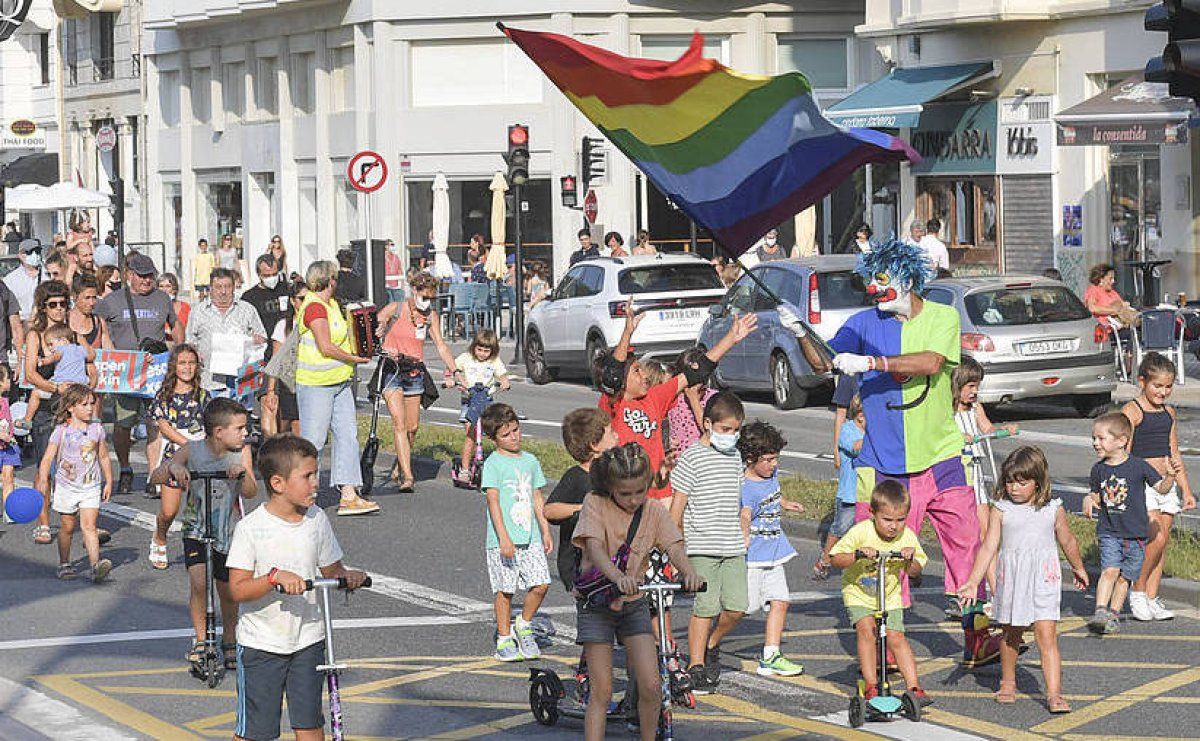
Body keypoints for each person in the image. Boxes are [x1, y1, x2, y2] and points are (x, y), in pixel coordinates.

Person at [783, 238, 1004, 667]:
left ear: (907, 278)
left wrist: (870, 364)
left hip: (941, 459)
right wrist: (801, 334)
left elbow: (929, 362)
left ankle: (977, 639)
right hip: (883, 467)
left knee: (966, 549)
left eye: (880, 280)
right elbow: (823, 362)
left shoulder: (943, 316)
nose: (872, 289)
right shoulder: (864, 322)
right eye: (869, 281)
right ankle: (885, 651)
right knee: (882, 563)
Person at [226, 435, 368, 741]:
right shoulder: (251, 528)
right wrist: (272, 578)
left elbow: (332, 569)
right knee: (257, 730)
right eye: (307, 476)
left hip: (308, 638)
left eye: (316, 474)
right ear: (278, 483)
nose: (316, 482)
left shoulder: (316, 520)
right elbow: (237, 590)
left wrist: (348, 577)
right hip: (262, 643)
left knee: (310, 724)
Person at [572, 444, 702, 741]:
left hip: (633, 605)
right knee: (602, 690)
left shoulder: (653, 509)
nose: (633, 500)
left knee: (652, 684)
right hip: (597, 606)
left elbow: (673, 546)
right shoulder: (595, 503)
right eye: (624, 493)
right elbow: (594, 547)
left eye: (639, 492)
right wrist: (617, 577)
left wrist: (688, 571)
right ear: (610, 487)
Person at [957, 446, 1088, 713]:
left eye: (1022, 482)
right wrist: (973, 581)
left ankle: (1054, 693)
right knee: (1011, 633)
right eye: (1009, 481)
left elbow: (1068, 539)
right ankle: (1008, 682)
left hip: (1044, 578)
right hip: (1013, 578)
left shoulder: (1053, 508)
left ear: (1038, 482)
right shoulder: (1001, 509)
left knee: (1046, 635)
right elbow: (989, 547)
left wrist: (1078, 567)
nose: (1014, 488)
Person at [597, 305, 756, 508]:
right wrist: (627, 333)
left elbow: (695, 373)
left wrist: (730, 339)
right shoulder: (611, 405)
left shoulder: (654, 398)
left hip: (660, 492)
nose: (645, 376)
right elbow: (612, 376)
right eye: (637, 371)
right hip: (626, 494)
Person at [151, 398, 256, 673]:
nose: (245, 434)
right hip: (196, 527)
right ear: (219, 431)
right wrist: (174, 468)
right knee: (199, 583)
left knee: (228, 589)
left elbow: (251, 491)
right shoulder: (192, 450)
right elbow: (158, 475)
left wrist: (241, 474)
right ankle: (201, 640)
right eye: (240, 428)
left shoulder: (241, 453)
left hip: (228, 531)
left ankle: (229, 639)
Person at [667, 392, 748, 693]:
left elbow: (737, 500)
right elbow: (677, 511)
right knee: (705, 607)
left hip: (732, 545)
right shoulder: (691, 457)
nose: (731, 436)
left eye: (736, 430)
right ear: (707, 424)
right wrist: (679, 554)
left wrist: (744, 525)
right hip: (702, 545)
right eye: (725, 429)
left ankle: (713, 643)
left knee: (739, 606)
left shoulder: (735, 456)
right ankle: (696, 665)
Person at [829, 480, 931, 705]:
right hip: (859, 593)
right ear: (872, 513)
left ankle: (914, 687)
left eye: (900, 520)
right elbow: (835, 558)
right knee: (867, 630)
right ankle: (871, 685)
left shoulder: (907, 537)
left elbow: (915, 571)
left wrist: (909, 559)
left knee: (896, 637)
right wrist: (857, 554)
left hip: (889, 595)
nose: (894, 526)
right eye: (887, 520)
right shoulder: (861, 531)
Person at [97, 252, 183, 496]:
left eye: (150, 276)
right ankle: (125, 469)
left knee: (156, 423)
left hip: (155, 370)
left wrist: (179, 350)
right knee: (123, 425)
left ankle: (154, 474)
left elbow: (175, 325)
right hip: (126, 372)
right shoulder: (112, 300)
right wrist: (108, 355)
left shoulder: (162, 299)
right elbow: (97, 326)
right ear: (129, 275)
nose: (147, 280)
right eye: (142, 276)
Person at [294, 261, 376, 515]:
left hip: (340, 381)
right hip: (316, 384)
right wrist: (356, 359)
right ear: (329, 280)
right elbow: (326, 346)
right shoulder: (315, 307)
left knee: (348, 436)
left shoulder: (332, 305)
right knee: (314, 441)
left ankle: (349, 494)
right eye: (335, 278)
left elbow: (343, 338)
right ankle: (302, 494)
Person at [1083, 412, 1176, 634]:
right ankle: (1100, 611)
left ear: (1122, 440)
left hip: (1136, 533)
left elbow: (1160, 488)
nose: (1096, 443)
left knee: (1126, 577)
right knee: (1110, 570)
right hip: (1110, 532)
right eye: (1094, 438)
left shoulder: (1139, 466)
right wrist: (1088, 498)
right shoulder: (1099, 469)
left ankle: (1113, 614)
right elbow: (1096, 495)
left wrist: (1171, 477)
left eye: (1101, 438)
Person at [1121, 353, 1196, 621]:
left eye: (1168, 386)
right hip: (1143, 484)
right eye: (1157, 386)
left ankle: (1152, 597)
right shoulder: (1132, 411)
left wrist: (1186, 490)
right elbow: (1123, 453)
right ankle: (1137, 592)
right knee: (1154, 538)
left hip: (1167, 484)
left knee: (1162, 542)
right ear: (1142, 381)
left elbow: (1174, 453)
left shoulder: (1168, 413)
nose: (1163, 392)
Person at [480, 402, 553, 662]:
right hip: (504, 539)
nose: (514, 437)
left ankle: (523, 623)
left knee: (542, 583)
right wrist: (504, 538)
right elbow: (493, 501)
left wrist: (544, 529)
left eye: (516, 430)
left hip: (530, 535)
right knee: (505, 590)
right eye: (506, 434)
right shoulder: (493, 464)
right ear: (493, 439)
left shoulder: (530, 461)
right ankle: (503, 638)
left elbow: (537, 497)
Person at [375, 271, 459, 492]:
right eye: (426, 296)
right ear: (414, 290)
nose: (428, 302)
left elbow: (440, 345)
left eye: (432, 298)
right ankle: (408, 476)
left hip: (414, 372)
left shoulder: (431, 316)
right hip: (392, 371)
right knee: (399, 423)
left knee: (412, 427)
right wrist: (381, 335)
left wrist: (455, 370)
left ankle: (398, 465)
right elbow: (374, 328)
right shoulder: (396, 309)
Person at [737, 420, 805, 677]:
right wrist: (744, 534)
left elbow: (773, 496)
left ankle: (771, 654)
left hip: (775, 551)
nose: (774, 464)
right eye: (768, 459)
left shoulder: (770, 475)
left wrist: (786, 504)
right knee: (746, 607)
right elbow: (745, 514)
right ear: (751, 458)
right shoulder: (746, 486)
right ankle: (710, 639)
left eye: (776, 458)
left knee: (781, 600)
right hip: (754, 556)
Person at [38, 384, 113, 583]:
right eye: (84, 404)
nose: (90, 408)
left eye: (92, 403)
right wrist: (42, 481)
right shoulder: (61, 431)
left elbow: (103, 456)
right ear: (71, 407)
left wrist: (109, 481)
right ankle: (64, 563)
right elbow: (48, 458)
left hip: (91, 485)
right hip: (66, 486)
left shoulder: (97, 429)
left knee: (89, 526)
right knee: (67, 527)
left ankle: (95, 566)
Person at [146, 344, 210, 569]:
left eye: (191, 363)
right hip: (174, 457)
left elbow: (211, 424)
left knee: (200, 508)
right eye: (182, 363)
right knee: (169, 511)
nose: (187, 368)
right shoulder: (164, 395)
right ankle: (160, 537)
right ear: (174, 366)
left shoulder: (203, 395)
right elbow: (164, 427)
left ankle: (199, 549)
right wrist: (188, 445)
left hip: (200, 458)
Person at [546, 409, 619, 593]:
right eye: (611, 432)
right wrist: (582, 507)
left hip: (612, 560)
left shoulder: (615, 472)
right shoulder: (577, 477)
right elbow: (550, 510)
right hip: (580, 565)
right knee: (595, 615)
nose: (617, 435)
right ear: (595, 445)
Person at [953, 357, 1019, 561]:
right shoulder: (948, 411)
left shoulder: (976, 408)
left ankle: (991, 578)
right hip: (957, 470)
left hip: (975, 469)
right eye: (971, 386)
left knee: (986, 527)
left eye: (977, 386)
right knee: (963, 529)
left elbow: (987, 428)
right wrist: (959, 438)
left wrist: (1003, 431)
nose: (975, 391)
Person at [24, 281, 73, 544]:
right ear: (43, 307)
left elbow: (88, 358)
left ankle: (83, 520)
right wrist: (56, 388)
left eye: (63, 304)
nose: (58, 309)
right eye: (52, 304)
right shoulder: (35, 335)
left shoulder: (70, 332)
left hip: (71, 410)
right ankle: (43, 523)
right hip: (45, 410)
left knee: (76, 463)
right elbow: (31, 373)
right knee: (44, 466)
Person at [186, 268, 267, 393]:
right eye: (218, 287)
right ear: (210, 288)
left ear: (234, 287)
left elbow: (262, 337)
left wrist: (254, 340)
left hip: (241, 382)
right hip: (209, 382)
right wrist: (196, 353)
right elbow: (189, 342)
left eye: (228, 286)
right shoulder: (197, 312)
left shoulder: (247, 309)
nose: (223, 292)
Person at [451, 330, 510, 485]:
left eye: (486, 351)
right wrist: (451, 379)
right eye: (479, 350)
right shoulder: (466, 358)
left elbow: (502, 375)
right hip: (469, 401)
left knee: (493, 432)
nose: (483, 354)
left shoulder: (494, 361)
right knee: (471, 434)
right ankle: (465, 469)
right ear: (473, 347)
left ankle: (501, 465)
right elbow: (452, 368)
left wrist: (504, 381)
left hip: (486, 401)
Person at [816, 394, 864, 580]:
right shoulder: (848, 430)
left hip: (868, 492)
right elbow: (855, 447)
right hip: (850, 493)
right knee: (840, 528)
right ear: (860, 415)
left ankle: (861, 567)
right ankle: (825, 559)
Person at [18, 323, 95, 431]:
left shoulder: (61, 349)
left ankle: (27, 420)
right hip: (80, 386)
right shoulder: (80, 349)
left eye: (51, 344)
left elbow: (53, 358)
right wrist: (82, 340)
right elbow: (91, 356)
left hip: (63, 384)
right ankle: (90, 419)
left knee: (36, 393)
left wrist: (42, 361)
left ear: (63, 341)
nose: (50, 348)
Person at [262, 282, 306, 438]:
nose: (305, 303)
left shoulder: (315, 323)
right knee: (288, 427)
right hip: (289, 384)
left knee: (301, 429)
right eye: (302, 299)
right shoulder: (283, 326)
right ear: (293, 301)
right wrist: (271, 391)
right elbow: (276, 360)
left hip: (310, 382)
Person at [665, 348, 717, 456]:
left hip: (703, 460)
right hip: (679, 463)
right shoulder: (673, 397)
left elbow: (711, 433)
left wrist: (694, 399)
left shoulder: (713, 398)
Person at [1084, 263, 1138, 331]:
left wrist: (1124, 305)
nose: (1113, 281)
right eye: (1110, 278)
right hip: (1106, 329)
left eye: (1113, 278)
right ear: (1101, 279)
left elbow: (1122, 305)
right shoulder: (1093, 290)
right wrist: (1114, 311)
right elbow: (1092, 308)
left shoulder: (1112, 292)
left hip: (1122, 326)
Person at [5, 239, 42, 321]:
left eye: (37, 251)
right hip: (22, 324)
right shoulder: (11, 280)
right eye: (29, 252)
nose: (34, 254)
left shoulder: (48, 274)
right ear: (20, 255)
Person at [68, 272, 107, 350]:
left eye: (94, 298)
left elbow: (110, 354)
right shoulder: (64, 321)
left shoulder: (99, 323)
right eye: (87, 298)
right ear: (75, 296)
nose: (92, 303)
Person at [0, 365, 19, 519]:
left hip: (8, 446)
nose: (11, 382)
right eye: (8, 379)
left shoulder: (5, 400)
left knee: (9, 476)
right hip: (2, 441)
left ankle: (9, 511)